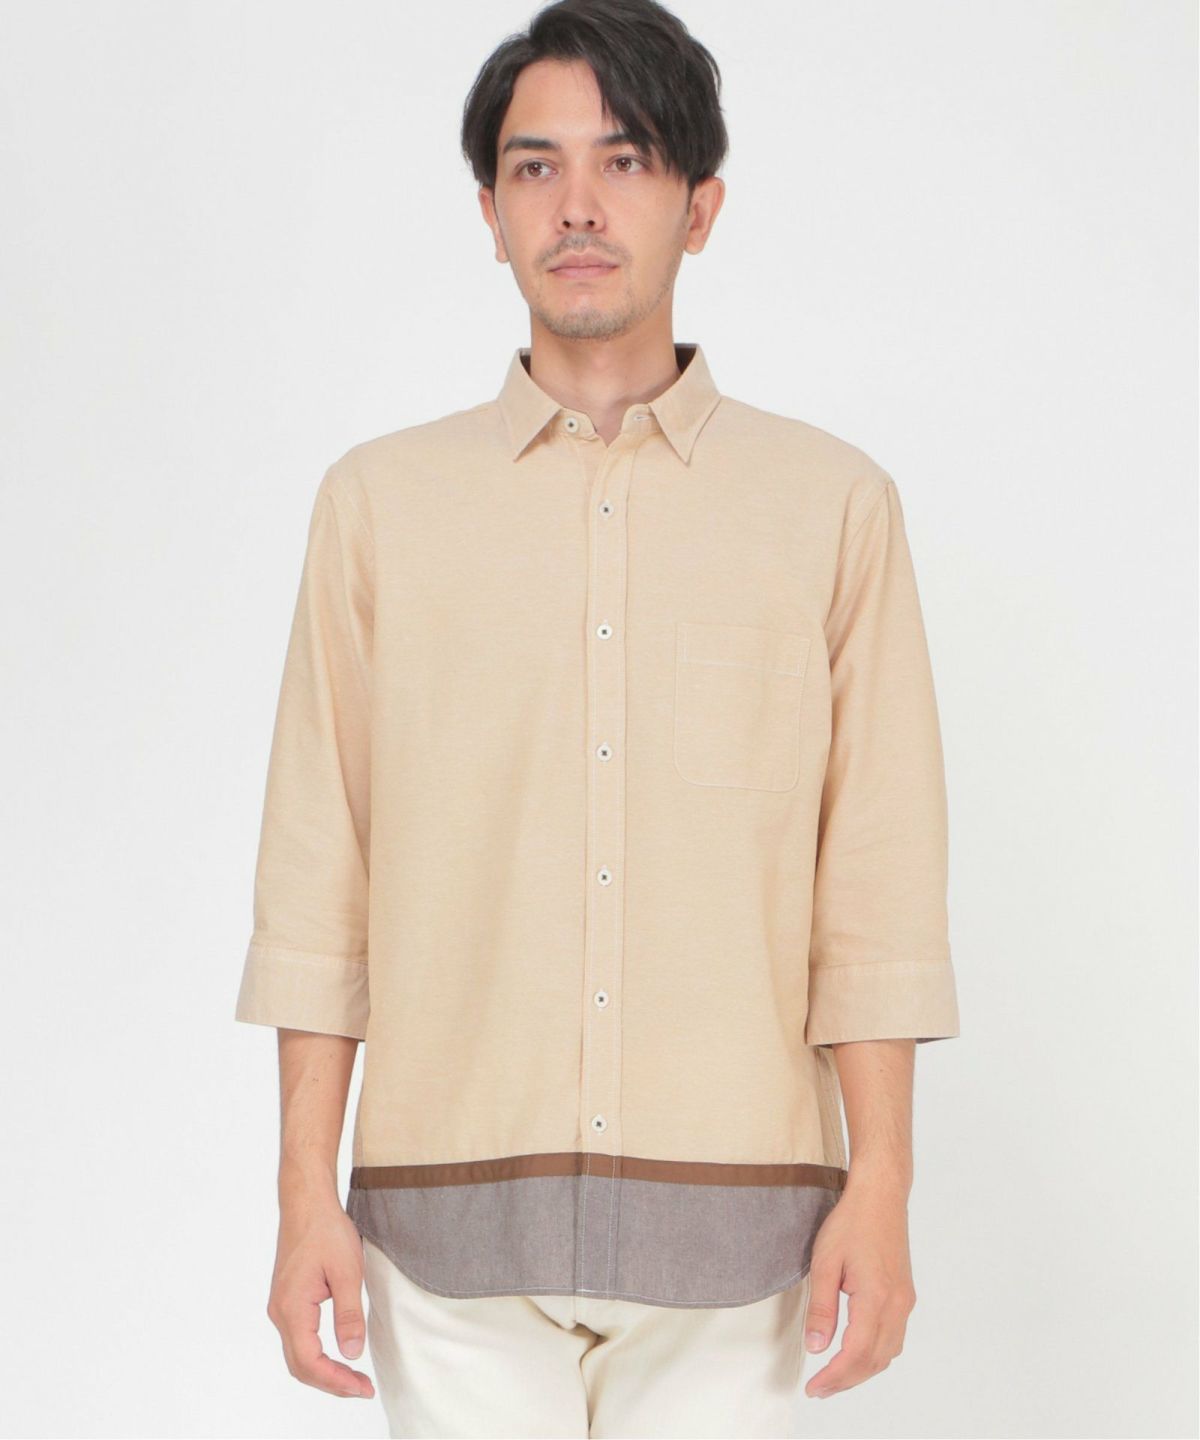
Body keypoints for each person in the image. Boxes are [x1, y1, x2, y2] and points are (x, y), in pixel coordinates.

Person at [233, 0, 961, 1434]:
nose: (576, 205)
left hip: (742, 1239)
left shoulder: (830, 508)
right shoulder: (379, 508)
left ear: (701, 206)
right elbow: (320, 870)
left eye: (624, 161)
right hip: (447, 1237)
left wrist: (883, 1185)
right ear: (490, 214)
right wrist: (301, 1189)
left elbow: (875, 883)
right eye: (535, 166)